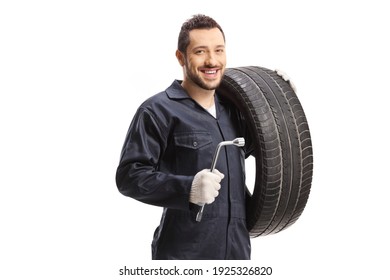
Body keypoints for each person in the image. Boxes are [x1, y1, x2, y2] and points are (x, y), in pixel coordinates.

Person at [115, 14, 294, 260]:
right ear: (181, 57)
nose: (212, 60)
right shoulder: (158, 110)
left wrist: (280, 103)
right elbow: (129, 176)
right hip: (183, 257)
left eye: (218, 50)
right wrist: (188, 188)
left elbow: (266, 146)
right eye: (200, 51)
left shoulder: (235, 111)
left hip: (237, 255)